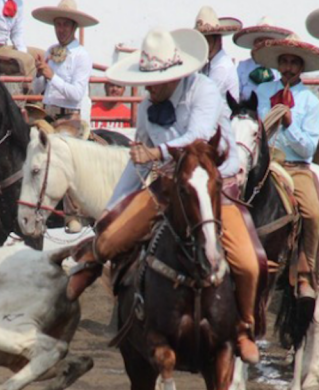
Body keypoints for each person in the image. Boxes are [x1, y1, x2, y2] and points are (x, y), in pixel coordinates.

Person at [68, 27, 264, 364]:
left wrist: (156, 153)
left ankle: (244, 326)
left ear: (174, 76)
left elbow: (200, 137)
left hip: (212, 184)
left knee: (249, 261)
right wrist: (113, 206)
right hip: (168, 187)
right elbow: (137, 162)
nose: (149, 88)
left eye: (155, 81)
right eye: (146, 81)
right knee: (113, 234)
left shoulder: (204, 91)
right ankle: (92, 266)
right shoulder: (147, 109)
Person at [253, 35, 319, 303]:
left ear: (301, 67)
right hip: (266, 165)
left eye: (293, 63)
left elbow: (309, 148)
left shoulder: (309, 101)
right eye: (283, 61)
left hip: (296, 168)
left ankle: (306, 271)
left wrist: (289, 123)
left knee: (313, 212)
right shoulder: (263, 92)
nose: (287, 67)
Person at [31, 0, 98, 122]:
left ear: (74, 27)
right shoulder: (50, 50)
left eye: (66, 25)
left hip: (71, 118)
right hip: (47, 114)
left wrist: (52, 77)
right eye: (58, 25)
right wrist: (40, 74)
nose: (61, 30)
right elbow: (36, 89)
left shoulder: (81, 55)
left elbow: (76, 94)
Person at [232, 16, 292, 102]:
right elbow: (235, 94)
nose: (263, 45)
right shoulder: (243, 66)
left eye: (268, 42)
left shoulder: (280, 68)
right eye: (260, 41)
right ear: (254, 43)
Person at [195, 6, 242, 103]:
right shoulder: (212, 65)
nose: (203, 44)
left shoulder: (221, 67)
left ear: (218, 39)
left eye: (207, 39)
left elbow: (204, 99)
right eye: (200, 40)